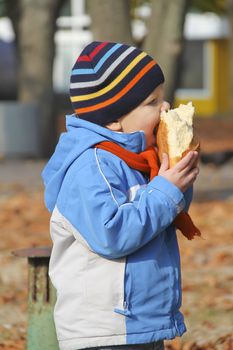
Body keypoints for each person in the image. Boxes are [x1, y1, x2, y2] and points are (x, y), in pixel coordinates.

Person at [41, 41, 200, 350]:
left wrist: (180, 180)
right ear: (113, 118)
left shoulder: (140, 158)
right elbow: (111, 234)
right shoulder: (90, 165)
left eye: (162, 98)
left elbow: (166, 216)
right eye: (153, 102)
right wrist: (167, 189)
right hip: (105, 329)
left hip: (142, 323)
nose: (164, 108)